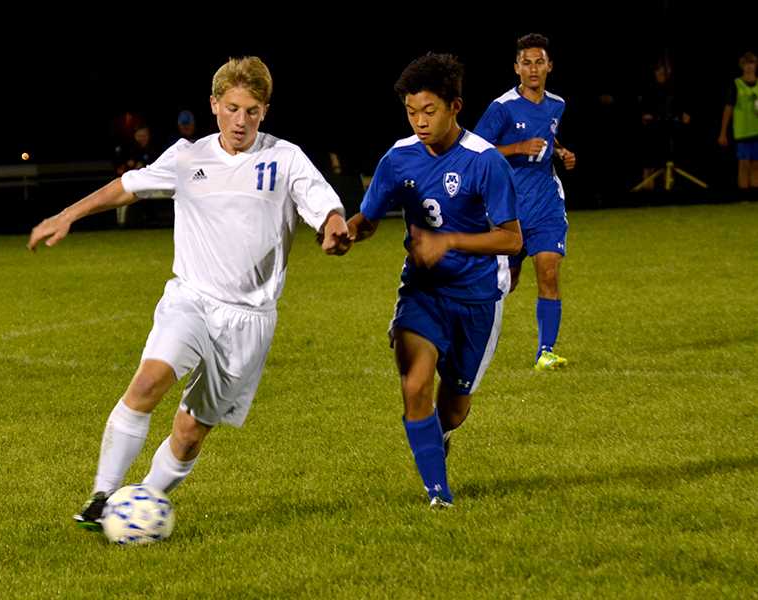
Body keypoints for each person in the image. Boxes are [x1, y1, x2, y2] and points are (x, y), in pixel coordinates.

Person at [27, 56, 352, 529]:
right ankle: (102, 496)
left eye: (253, 111)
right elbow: (126, 188)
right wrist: (67, 215)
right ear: (215, 104)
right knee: (148, 382)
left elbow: (323, 204)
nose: (242, 121)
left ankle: (142, 505)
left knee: (190, 431)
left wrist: (334, 226)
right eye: (234, 108)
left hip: (249, 320)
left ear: (265, 111)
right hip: (191, 299)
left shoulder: (285, 158)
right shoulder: (187, 157)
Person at [347, 53, 521, 508]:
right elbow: (368, 218)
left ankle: (437, 439)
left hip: (479, 296)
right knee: (414, 383)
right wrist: (347, 232)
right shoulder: (398, 159)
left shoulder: (485, 162)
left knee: (455, 407)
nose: (420, 122)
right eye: (411, 112)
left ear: (455, 107)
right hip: (422, 292)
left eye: (429, 111)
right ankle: (438, 494)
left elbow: (510, 239)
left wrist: (450, 243)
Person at [474, 33, 576, 371]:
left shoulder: (557, 104)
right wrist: (517, 149)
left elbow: (547, 134)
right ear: (517, 68)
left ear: (549, 66)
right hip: (509, 209)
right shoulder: (501, 108)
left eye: (539, 62)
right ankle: (468, 330)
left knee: (548, 271)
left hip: (546, 203)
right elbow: (477, 151)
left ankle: (545, 351)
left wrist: (559, 151)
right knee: (507, 282)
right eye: (526, 63)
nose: (533, 69)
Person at [636, 58, 692, 191]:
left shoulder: (673, 89)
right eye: (659, 70)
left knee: (667, 164)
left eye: (665, 70)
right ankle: (647, 194)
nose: (662, 73)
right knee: (649, 164)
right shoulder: (648, 89)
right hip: (651, 132)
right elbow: (642, 111)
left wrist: (683, 115)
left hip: (668, 132)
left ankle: (667, 194)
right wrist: (645, 116)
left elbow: (680, 108)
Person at [718, 51, 758, 192]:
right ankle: (743, 196)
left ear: (755, 65)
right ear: (742, 66)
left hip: (757, 131)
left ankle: (754, 197)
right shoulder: (737, 84)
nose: (749, 67)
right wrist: (723, 133)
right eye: (746, 64)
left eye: (751, 63)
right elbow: (728, 109)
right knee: (744, 164)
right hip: (743, 132)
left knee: (756, 165)